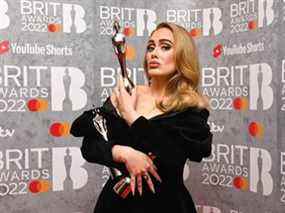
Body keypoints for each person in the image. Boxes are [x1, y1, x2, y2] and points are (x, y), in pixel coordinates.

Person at [70, 22, 213, 213]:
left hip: (166, 205)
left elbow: (175, 153)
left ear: (182, 56)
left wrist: (131, 115)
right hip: (117, 204)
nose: (154, 53)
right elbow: (90, 146)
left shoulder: (190, 107)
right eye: (150, 47)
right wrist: (123, 153)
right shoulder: (128, 94)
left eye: (165, 47)